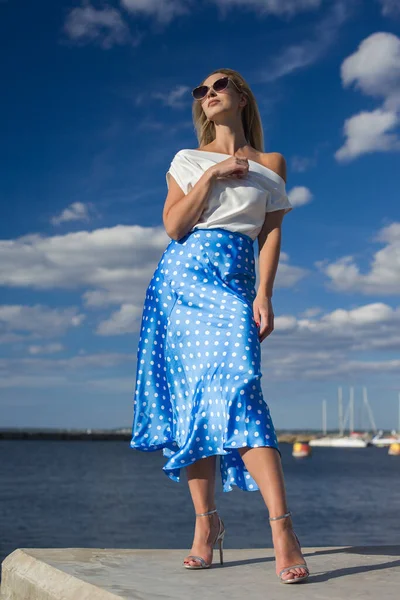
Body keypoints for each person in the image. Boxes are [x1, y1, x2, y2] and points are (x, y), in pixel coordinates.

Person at [130, 68, 309, 584]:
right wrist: (211, 175)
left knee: (241, 388)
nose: (209, 95)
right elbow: (174, 225)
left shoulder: (273, 164)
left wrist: (265, 294)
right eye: (201, 91)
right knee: (192, 402)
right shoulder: (187, 160)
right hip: (181, 281)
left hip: (234, 284)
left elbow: (270, 235)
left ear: (241, 96)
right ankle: (206, 528)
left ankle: (283, 530)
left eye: (219, 86)